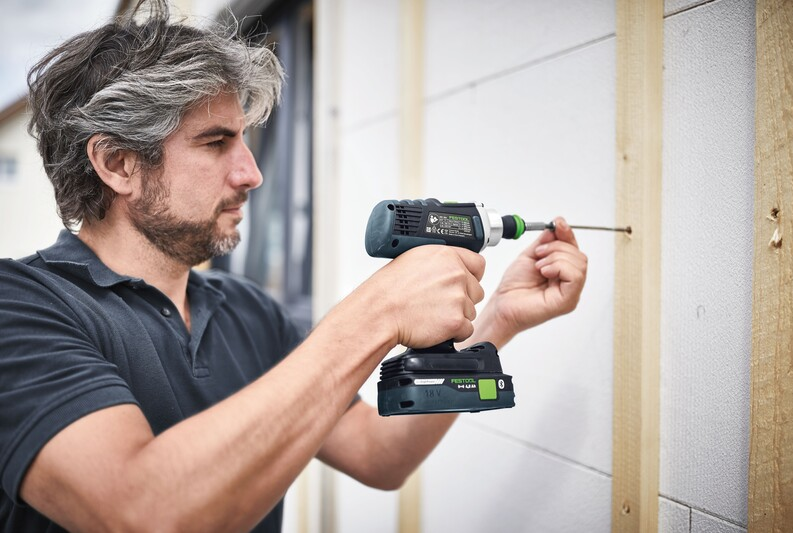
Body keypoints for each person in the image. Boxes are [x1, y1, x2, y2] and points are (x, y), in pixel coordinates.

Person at [0, 1, 588, 531]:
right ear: (118, 162)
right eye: (215, 142)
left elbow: (379, 456)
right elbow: (141, 512)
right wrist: (379, 309)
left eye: (247, 140)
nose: (251, 173)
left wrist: (498, 323)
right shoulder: (21, 308)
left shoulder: (249, 313)